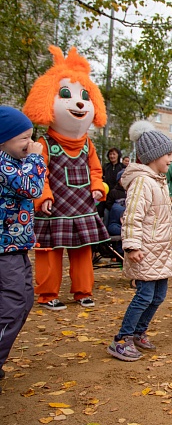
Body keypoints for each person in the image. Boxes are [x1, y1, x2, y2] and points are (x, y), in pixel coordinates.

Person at [23, 46, 110, 311]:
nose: (80, 103)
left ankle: (83, 291)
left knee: (83, 251)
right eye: (66, 95)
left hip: (81, 206)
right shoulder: (45, 143)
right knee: (49, 252)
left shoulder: (88, 145)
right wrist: (43, 196)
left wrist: (97, 187)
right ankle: (47, 294)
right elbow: (38, 173)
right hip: (55, 208)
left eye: (85, 96)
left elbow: (96, 171)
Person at [107, 121, 172, 361]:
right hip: (145, 251)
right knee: (144, 296)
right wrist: (132, 246)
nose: (171, 159)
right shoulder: (142, 182)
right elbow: (132, 216)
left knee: (158, 296)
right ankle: (121, 339)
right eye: (169, 154)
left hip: (160, 251)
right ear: (154, 156)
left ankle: (139, 332)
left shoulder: (158, 180)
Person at [0, 107, 46, 380]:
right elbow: (31, 187)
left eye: (31, 137)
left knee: (23, 299)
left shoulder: (14, 162)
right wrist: (36, 158)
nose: (30, 144)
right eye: (23, 139)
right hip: (4, 248)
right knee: (15, 302)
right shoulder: (3, 165)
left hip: (15, 246)